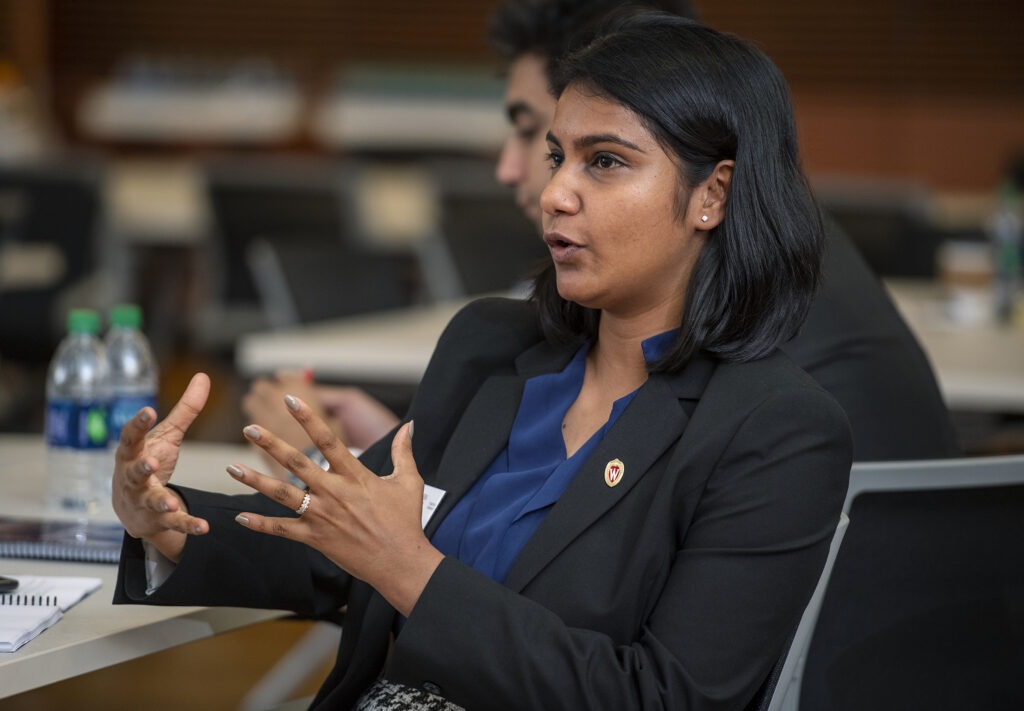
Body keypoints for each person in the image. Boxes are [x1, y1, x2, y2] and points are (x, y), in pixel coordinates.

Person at [112, 12, 852, 709]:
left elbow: (660, 697)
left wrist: (412, 571)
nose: (556, 192)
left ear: (712, 196)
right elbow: (339, 546)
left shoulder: (775, 428)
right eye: (559, 156)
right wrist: (163, 519)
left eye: (605, 162)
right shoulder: (491, 348)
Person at [244, 0, 959, 463]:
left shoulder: (753, 335)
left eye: (597, 155)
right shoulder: (781, 242)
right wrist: (414, 446)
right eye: (552, 148)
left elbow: (587, 553)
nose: (520, 173)